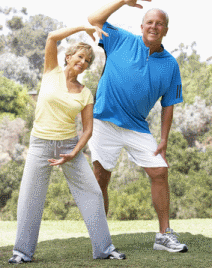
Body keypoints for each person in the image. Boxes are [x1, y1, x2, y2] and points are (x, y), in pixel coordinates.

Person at [8, 25, 126, 264]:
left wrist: (73, 153)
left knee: (92, 192)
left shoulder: (85, 93)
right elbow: (52, 37)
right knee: (30, 197)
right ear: (69, 57)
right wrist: (84, 27)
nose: (83, 62)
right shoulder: (50, 71)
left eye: (88, 60)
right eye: (80, 56)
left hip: (69, 145)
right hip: (40, 144)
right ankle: (22, 252)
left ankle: (105, 249)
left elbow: (88, 129)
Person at [88, 0, 188, 253]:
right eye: (149, 22)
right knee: (100, 179)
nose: (154, 26)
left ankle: (164, 235)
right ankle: (102, 240)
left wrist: (164, 138)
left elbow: (169, 105)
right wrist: (122, 1)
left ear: (166, 29)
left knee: (159, 172)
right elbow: (94, 19)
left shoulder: (170, 65)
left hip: (137, 127)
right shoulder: (120, 39)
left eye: (159, 23)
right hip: (104, 122)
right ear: (141, 26)